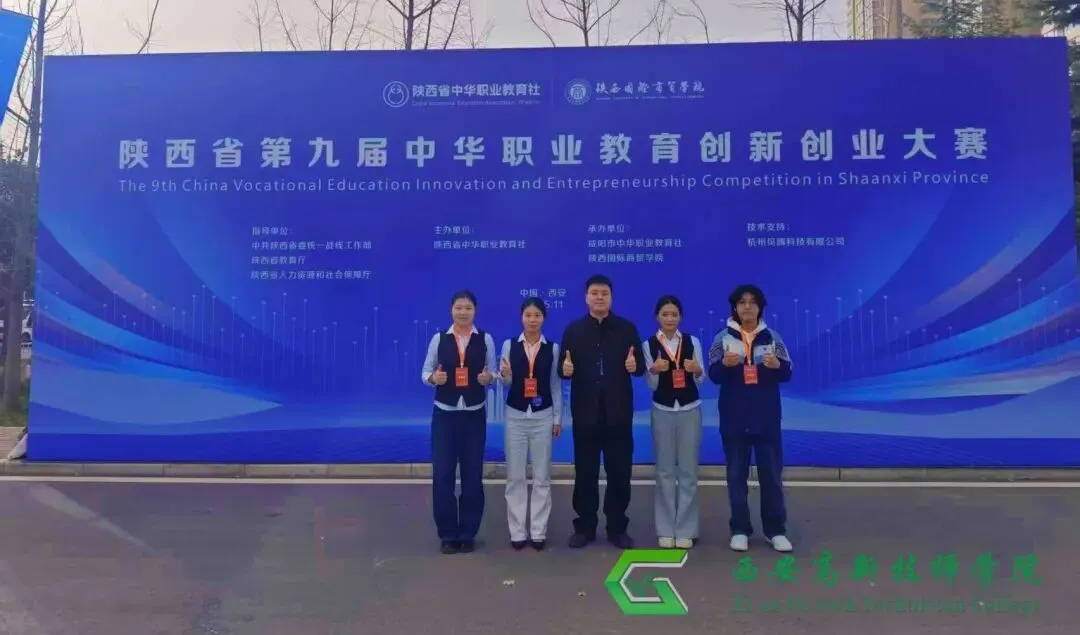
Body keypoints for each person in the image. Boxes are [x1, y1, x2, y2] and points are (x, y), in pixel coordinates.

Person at [558, 274, 646, 549]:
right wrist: (565, 369)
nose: (599, 297)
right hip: (585, 414)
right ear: (586, 297)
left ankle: (617, 527)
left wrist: (635, 366)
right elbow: (562, 368)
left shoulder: (627, 329)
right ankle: (584, 527)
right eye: (594, 293)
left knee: (619, 473)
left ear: (611, 297)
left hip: (618, 414)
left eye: (604, 293)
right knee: (585, 473)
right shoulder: (573, 330)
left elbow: (641, 367)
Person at [708, 284, 794, 553]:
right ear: (735, 307)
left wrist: (777, 366)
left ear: (760, 307)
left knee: (772, 477)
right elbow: (713, 374)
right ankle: (740, 530)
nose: (747, 307)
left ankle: (775, 531)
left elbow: (788, 371)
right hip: (734, 418)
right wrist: (724, 365)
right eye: (742, 302)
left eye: (752, 302)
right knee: (736, 477)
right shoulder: (722, 337)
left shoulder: (772, 337)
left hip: (767, 418)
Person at [420, 290, 498, 554]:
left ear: (475, 311)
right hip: (445, 415)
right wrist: (434, 379)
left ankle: (467, 532)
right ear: (451, 310)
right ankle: (447, 534)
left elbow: (493, 372)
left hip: (474, 415)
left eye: (468, 308)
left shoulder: (485, 339)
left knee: (472, 476)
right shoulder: (439, 339)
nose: (463, 313)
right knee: (443, 475)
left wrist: (489, 378)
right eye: (458, 308)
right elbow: (425, 372)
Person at [641, 295, 706, 549]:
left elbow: (701, 378)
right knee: (665, 471)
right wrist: (654, 370)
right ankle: (666, 529)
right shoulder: (648, 345)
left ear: (680, 317)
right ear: (657, 317)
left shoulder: (692, 341)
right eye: (665, 314)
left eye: (674, 314)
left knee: (688, 471)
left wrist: (696, 370)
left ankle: (686, 529)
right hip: (662, 410)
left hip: (690, 409)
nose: (670, 319)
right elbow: (651, 384)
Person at [498, 297, 562, 551]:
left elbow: (555, 386)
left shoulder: (552, 348)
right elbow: (505, 384)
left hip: (542, 416)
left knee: (541, 476)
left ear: (543, 318)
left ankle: (538, 531)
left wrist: (557, 419)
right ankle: (517, 532)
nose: (532, 320)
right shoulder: (509, 345)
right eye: (528, 315)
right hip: (515, 415)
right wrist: (505, 375)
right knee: (515, 476)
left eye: (537, 315)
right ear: (521, 318)